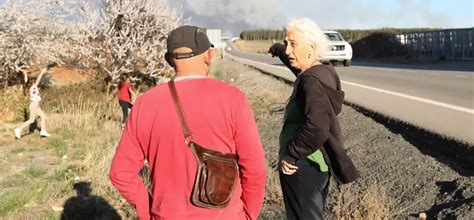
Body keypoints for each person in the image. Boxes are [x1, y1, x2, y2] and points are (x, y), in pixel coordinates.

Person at [109, 25, 266, 220]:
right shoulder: (233, 99)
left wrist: (147, 210)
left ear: (168, 61)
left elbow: (120, 173)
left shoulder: (145, 104)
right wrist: (248, 214)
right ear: (208, 55)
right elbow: (255, 169)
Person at [269, 18, 359, 220]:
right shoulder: (323, 72)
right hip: (318, 164)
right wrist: (278, 49)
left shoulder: (310, 82)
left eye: (293, 44)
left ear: (313, 47)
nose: (289, 50)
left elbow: (317, 127)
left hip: (302, 166)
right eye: (286, 43)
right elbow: (300, 70)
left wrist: (292, 154)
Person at [14, 67, 51, 139]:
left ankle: (43, 131)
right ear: (32, 83)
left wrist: (25, 74)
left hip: (35, 105)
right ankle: (18, 129)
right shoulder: (33, 87)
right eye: (33, 81)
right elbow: (38, 81)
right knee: (31, 120)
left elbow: (26, 81)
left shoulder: (28, 87)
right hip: (34, 104)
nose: (34, 82)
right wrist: (42, 73)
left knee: (43, 116)